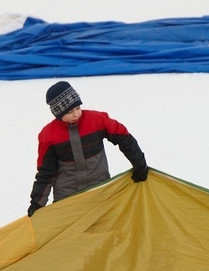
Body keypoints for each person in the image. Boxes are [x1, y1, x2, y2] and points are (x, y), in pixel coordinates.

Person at [27, 81, 148, 217]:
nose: (76, 114)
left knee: (103, 224)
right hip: (67, 194)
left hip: (99, 188)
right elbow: (46, 172)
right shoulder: (49, 135)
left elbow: (124, 138)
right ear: (57, 113)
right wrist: (37, 202)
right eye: (69, 112)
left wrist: (139, 164)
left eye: (77, 108)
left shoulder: (96, 120)